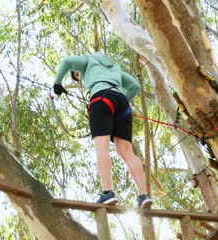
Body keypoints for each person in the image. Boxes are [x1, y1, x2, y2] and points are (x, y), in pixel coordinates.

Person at [52, 52, 153, 209]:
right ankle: (143, 195)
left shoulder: (87, 61)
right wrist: (122, 100)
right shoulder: (114, 67)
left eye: (77, 75)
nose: (79, 78)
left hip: (101, 99)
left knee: (102, 145)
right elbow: (134, 86)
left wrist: (57, 83)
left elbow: (66, 61)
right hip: (122, 104)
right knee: (127, 151)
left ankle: (107, 193)